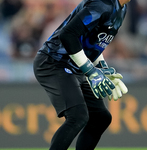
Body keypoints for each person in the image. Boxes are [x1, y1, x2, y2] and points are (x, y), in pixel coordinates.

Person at [33, 0, 129, 149]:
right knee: (77, 116)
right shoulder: (102, 4)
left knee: (100, 118)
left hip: (74, 65)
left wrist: (102, 68)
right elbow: (68, 35)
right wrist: (90, 71)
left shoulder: (121, 8)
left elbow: (92, 42)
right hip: (53, 61)